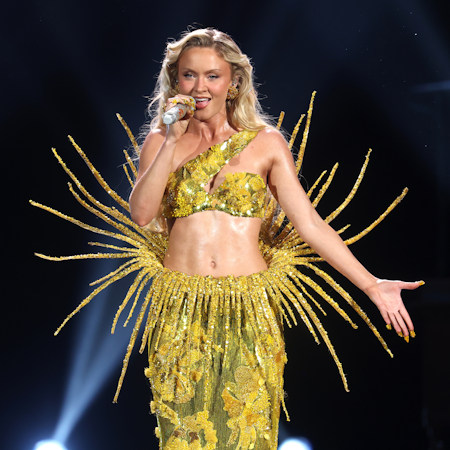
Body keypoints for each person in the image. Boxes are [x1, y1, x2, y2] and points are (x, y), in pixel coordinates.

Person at [125, 27, 422, 450]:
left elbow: (310, 224)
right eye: (189, 75)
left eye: (212, 76)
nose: (200, 87)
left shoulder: (265, 143)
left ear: (233, 82)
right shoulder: (160, 142)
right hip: (183, 308)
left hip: (248, 308)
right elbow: (141, 214)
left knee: (247, 436)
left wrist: (372, 284)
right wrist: (171, 141)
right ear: (176, 81)